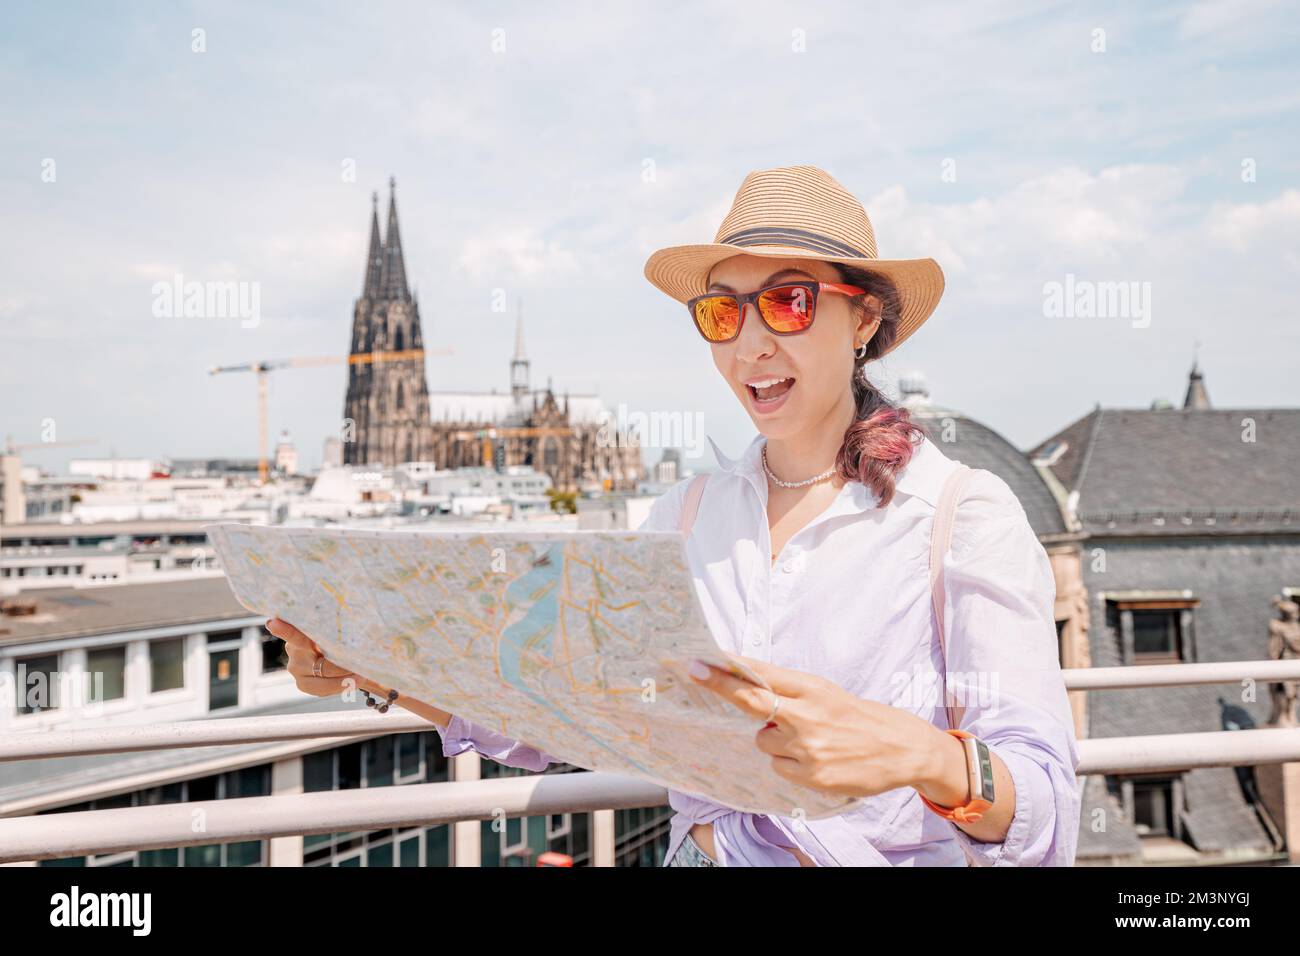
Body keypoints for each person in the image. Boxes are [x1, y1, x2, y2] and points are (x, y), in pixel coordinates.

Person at [270, 164, 1080, 867]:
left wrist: (921, 756)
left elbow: (1046, 814)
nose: (749, 346)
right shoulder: (686, 513)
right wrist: (377, 666)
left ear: (864, 319)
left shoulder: (962, 514)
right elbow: (570, 712)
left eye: (790, 303)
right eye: (724, 313)